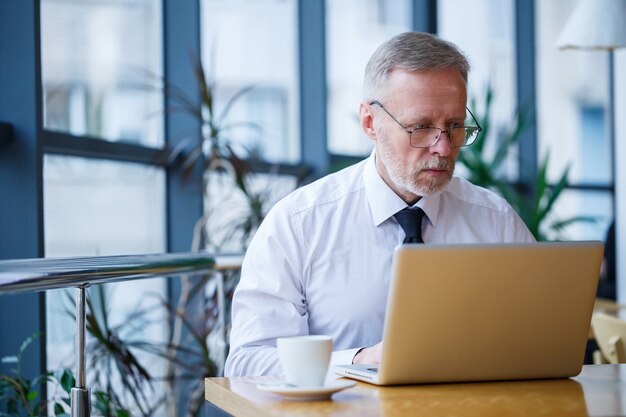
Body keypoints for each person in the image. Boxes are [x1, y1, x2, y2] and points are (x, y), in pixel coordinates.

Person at [225, 32, 534, 377]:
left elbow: (541, 337)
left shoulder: (496, 222)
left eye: (455, 126)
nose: (444, 148)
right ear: (370, 122)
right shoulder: (298, 224)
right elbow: (248, 362)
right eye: (420, 127)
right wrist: (357, 361)